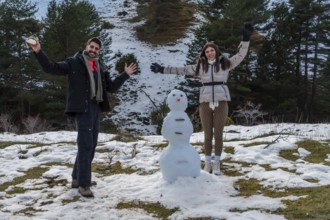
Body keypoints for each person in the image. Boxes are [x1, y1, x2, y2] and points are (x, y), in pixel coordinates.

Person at [28, 37, 137, 197]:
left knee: (91, 145)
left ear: (99, 51)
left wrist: (125, 75)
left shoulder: (101, 66)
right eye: (91, 47)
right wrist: (38, 51)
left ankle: (76, 178)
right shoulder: (74, 62)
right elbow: (51, 67)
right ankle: (84, 185)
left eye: (96, 48)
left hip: (95, 108)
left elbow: (111, 87)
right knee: (86, 145)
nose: (93, 50)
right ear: (86, 46)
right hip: (82, 108)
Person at [150, 23, 254, 175]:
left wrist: (245, 39)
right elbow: (182, 70)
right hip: (205, 102)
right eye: (207, 51)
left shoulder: (226, 64)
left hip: (221, 101)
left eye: (212, 50)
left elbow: (240, 55)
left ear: (216, 51)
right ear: (204, 54)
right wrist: (163, 69)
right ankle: (207, 162)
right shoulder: (200, 67)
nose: (210, 53)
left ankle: (217, 163)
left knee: (218, 134)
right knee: (207, 134)